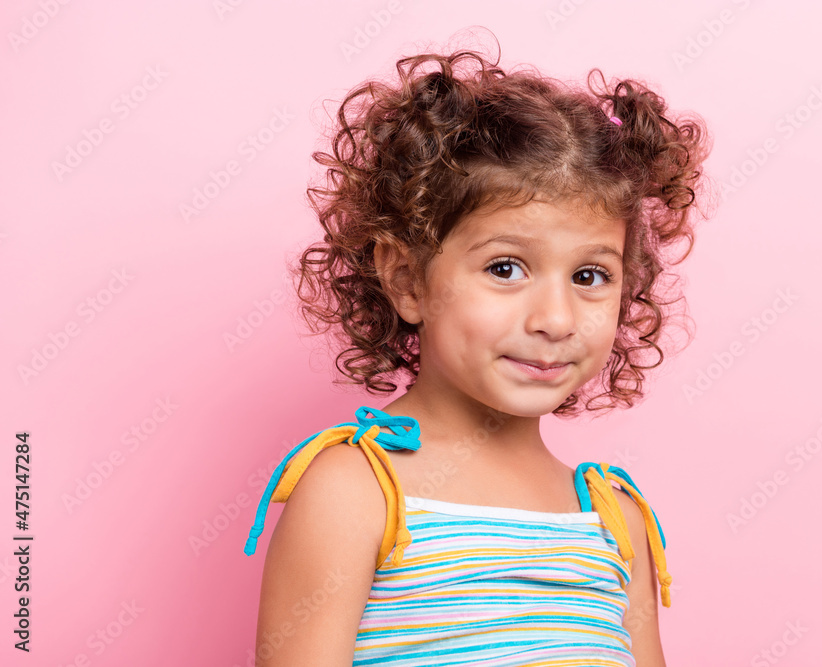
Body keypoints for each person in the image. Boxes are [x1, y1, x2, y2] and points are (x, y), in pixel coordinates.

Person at [243, 40, 711, 666]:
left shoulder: (613, 521)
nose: (554, 319)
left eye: (590, 277)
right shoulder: (358, 493)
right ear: (408, 280)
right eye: (506, 267)